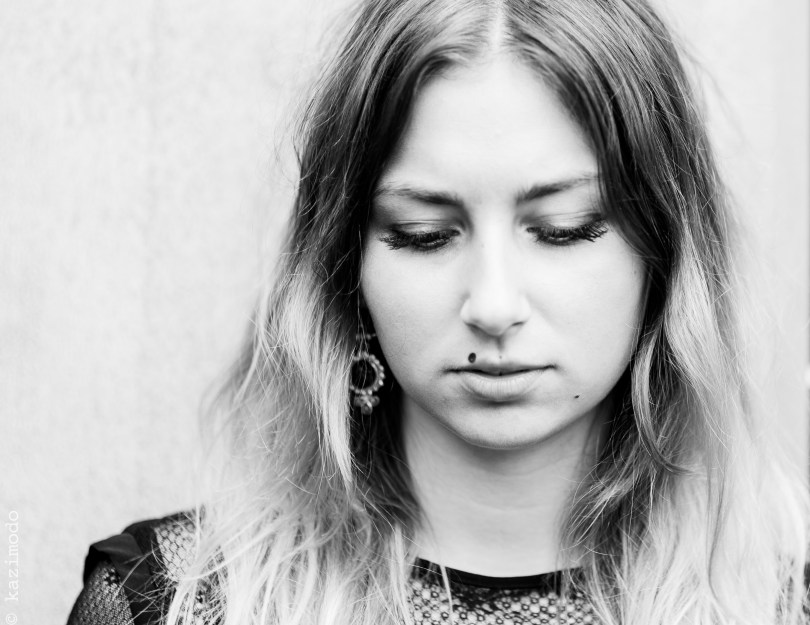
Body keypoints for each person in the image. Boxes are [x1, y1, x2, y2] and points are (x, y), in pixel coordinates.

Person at [66, 0, 810, 624]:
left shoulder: (780, 608)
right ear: (346, 263)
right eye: (424, 234)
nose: (493, 304)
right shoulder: (173, 603)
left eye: (563, 228)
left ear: (665, 254)